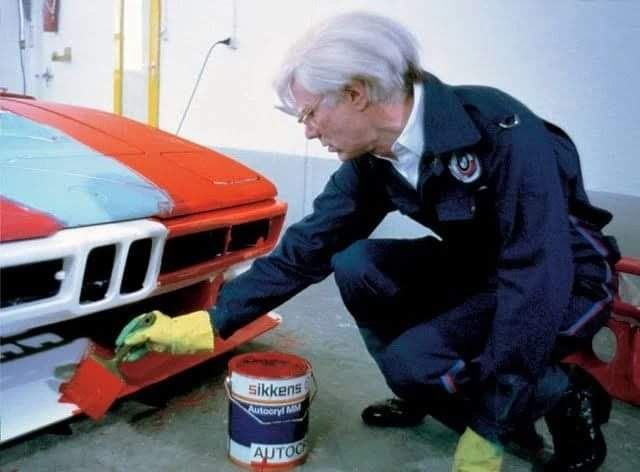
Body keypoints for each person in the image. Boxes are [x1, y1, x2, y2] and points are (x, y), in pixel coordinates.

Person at [116, 11, 620, 471]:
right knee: (358, 263)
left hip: (563, 278)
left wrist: (488, 421)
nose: (309, 133)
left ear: (356, 93)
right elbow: (307, 249)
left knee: (417, 362)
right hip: (483, 270)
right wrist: (209, 322)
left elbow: (534, 276)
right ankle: (425, 389)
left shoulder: (500, 132)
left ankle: (562, 393)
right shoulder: (373, 160)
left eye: (311, 114)